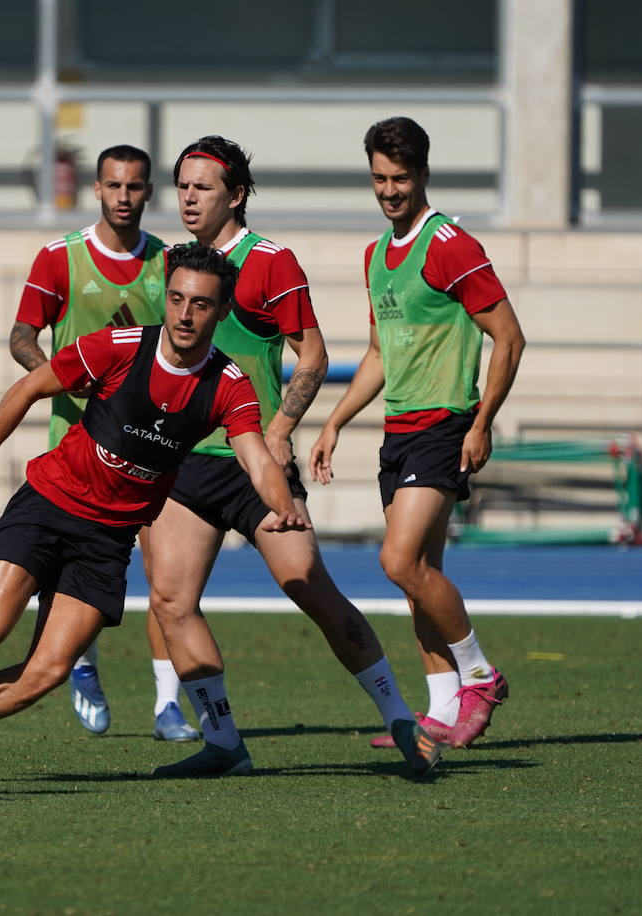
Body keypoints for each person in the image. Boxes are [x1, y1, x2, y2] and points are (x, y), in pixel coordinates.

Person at [0, 243, 305, 784]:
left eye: (200, 304)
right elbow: (30, 387)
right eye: (176, 299)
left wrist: (284, 506)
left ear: (221, 311)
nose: (184, 314)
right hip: (49, 503)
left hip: (107, 539)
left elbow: (257, 459)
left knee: (46, 673)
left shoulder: (228, 385)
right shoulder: (119, 347)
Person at [142, 135, 441, 778]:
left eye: (204, 187)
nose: (189, 198)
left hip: (255, 461)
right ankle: (223, 743)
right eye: (183, 187)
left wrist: (280, 429)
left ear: (237, 195)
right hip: (181, 463)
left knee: (309, 587)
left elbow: (313, 355)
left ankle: (400, 718)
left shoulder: (271, 262)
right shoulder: (172, 262)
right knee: (170, 601)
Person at [308, 116, 525, 750]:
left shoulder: (451, 244)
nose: (389, 190)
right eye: (379, 178)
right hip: (398, 432)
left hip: (444, 424)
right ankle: (440, 708)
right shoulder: (376, 255)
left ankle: (479, 676)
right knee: (418, 577)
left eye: (400, 178)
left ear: (423, 174)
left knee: (398, 561)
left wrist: (482, 420)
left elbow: (508, 336)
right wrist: (335, 422)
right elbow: (379, 352)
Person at [10, 144, 197, 743]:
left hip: (152, 448)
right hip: (78, 446)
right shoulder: (60, 257)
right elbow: (21, 334)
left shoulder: (170, 264)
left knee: (164, 576)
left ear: (148, 193)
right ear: (96, 189)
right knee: (73, 569)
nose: (124, 196)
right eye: (113, 185)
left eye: (135, 187)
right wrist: (58, 374)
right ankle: (82, 662)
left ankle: (168, 704)